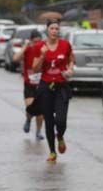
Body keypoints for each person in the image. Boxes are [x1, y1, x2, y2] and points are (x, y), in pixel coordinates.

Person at [30, 20, 75, 162]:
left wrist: (70, 70)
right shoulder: (39, 46)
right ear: (47, 30)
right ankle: (52, 152)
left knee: (61, 120)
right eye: (52, 28)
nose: (54, 31)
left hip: (61, 86)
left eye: (57, 28)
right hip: (46, 88)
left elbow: (71, 59)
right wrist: (43, 56)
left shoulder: (65, 45)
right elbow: (35, 68)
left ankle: (60, 136)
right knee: (48, 120)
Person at [15, 29, 45, 140]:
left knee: (40, 112)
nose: (37, 44)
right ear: (31, 41)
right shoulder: (28, 49)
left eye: (39, 41)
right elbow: (15, 58)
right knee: (31, 107)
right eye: (35, 42)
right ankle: (28, 119)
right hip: (29, 84)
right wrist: (25, 47)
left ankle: (38, 132)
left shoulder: (44, 51)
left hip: (41, 84)